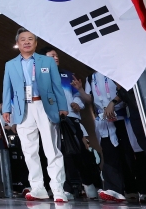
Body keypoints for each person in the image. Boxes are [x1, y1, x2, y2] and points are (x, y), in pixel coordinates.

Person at [2, 29, 69, 202]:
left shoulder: (47, 61)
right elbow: (7, 88)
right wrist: (7, 110)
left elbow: (57, 85)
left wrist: (62, 105)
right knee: (29, 150)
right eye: (23, 39)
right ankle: (38, 187)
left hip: (45, 106)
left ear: (35, 43)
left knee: (51, 148)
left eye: (30, 39)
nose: (26, 42)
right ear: (18, 43)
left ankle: (57, 188)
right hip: (22, 108)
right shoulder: (10, 64)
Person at [38, 46, 101, 200]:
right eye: (52, 56)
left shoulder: (68, 74)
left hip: (71, 120)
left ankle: (88, 183)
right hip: (51, 120)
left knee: (79, 152)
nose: (56, 57)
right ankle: (65, 188)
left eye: (57, 55)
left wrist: (77, 104)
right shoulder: (39, 77)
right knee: (57, 155)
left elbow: (77, 95)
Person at [80, 73, 137, 202]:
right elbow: (89, 99)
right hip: (104, 121)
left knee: (127, 154)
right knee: (109, 153)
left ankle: (133, 189)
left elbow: (124, 89)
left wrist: (113, 103)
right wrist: (80, 90)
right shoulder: (90, 77)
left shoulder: (113, 70)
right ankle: (114, 189)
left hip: (122, 118)